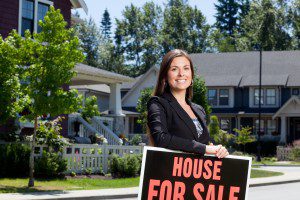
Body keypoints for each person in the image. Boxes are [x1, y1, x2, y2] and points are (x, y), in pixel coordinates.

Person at [147, 49, 228, 158]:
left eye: (186, 68)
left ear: (191, 74)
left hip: (198, 172)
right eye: (174, 69)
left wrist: (217, 150)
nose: (181, 74)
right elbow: (161, 139)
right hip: (171, 172)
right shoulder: (158, 103)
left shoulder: (199, 110)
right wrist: (205, 148)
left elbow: (202, 144)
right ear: (165, 76)